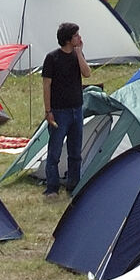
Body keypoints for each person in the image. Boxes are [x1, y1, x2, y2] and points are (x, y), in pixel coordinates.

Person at [39, 21, 88, 196]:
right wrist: (48, 111)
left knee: (75, 152)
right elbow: (46, 85)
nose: (80, 38)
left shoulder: (77, 56)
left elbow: (87, 73)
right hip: (60, 112)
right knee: (55, 151)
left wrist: (80, 53)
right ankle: (52, 188)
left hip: (77, 109)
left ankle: (73, 185)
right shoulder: (52, 58)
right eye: (76, 35)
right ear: (68, 39)